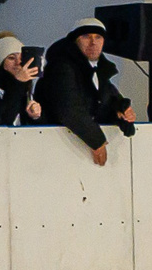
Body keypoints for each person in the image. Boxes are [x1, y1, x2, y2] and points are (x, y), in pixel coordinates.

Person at [36, 16, 136, 165]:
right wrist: (97, 141)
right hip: (54, 149)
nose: (93, 42)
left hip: (74, 152)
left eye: (98, 37)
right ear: (75, 40)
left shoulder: (100, 70)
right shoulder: (61, 68)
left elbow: (106, 98)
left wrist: (121, 111)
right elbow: (69, 109)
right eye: (86, 36)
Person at [0, 33, 42, 127]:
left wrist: (35, 116)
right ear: (1, 62)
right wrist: (18, 83)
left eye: (21, 57)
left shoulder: (26, 83)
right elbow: (2, 118)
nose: (18, 62)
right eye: (11, 58)